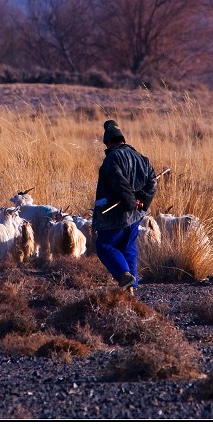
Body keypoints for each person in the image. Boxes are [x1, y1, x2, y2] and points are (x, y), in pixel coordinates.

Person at [91, 119, 157, 294]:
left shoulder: (111, 159)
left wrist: (130, 203)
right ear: (123, 139)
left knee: (105, 246)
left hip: (116, 216)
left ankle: (123, 275)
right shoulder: (142, 158)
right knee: (128, 248)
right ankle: (131, 289)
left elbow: (120, 183)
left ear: (109, 141)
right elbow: (152, 181)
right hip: (135, 217)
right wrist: (142, 202)